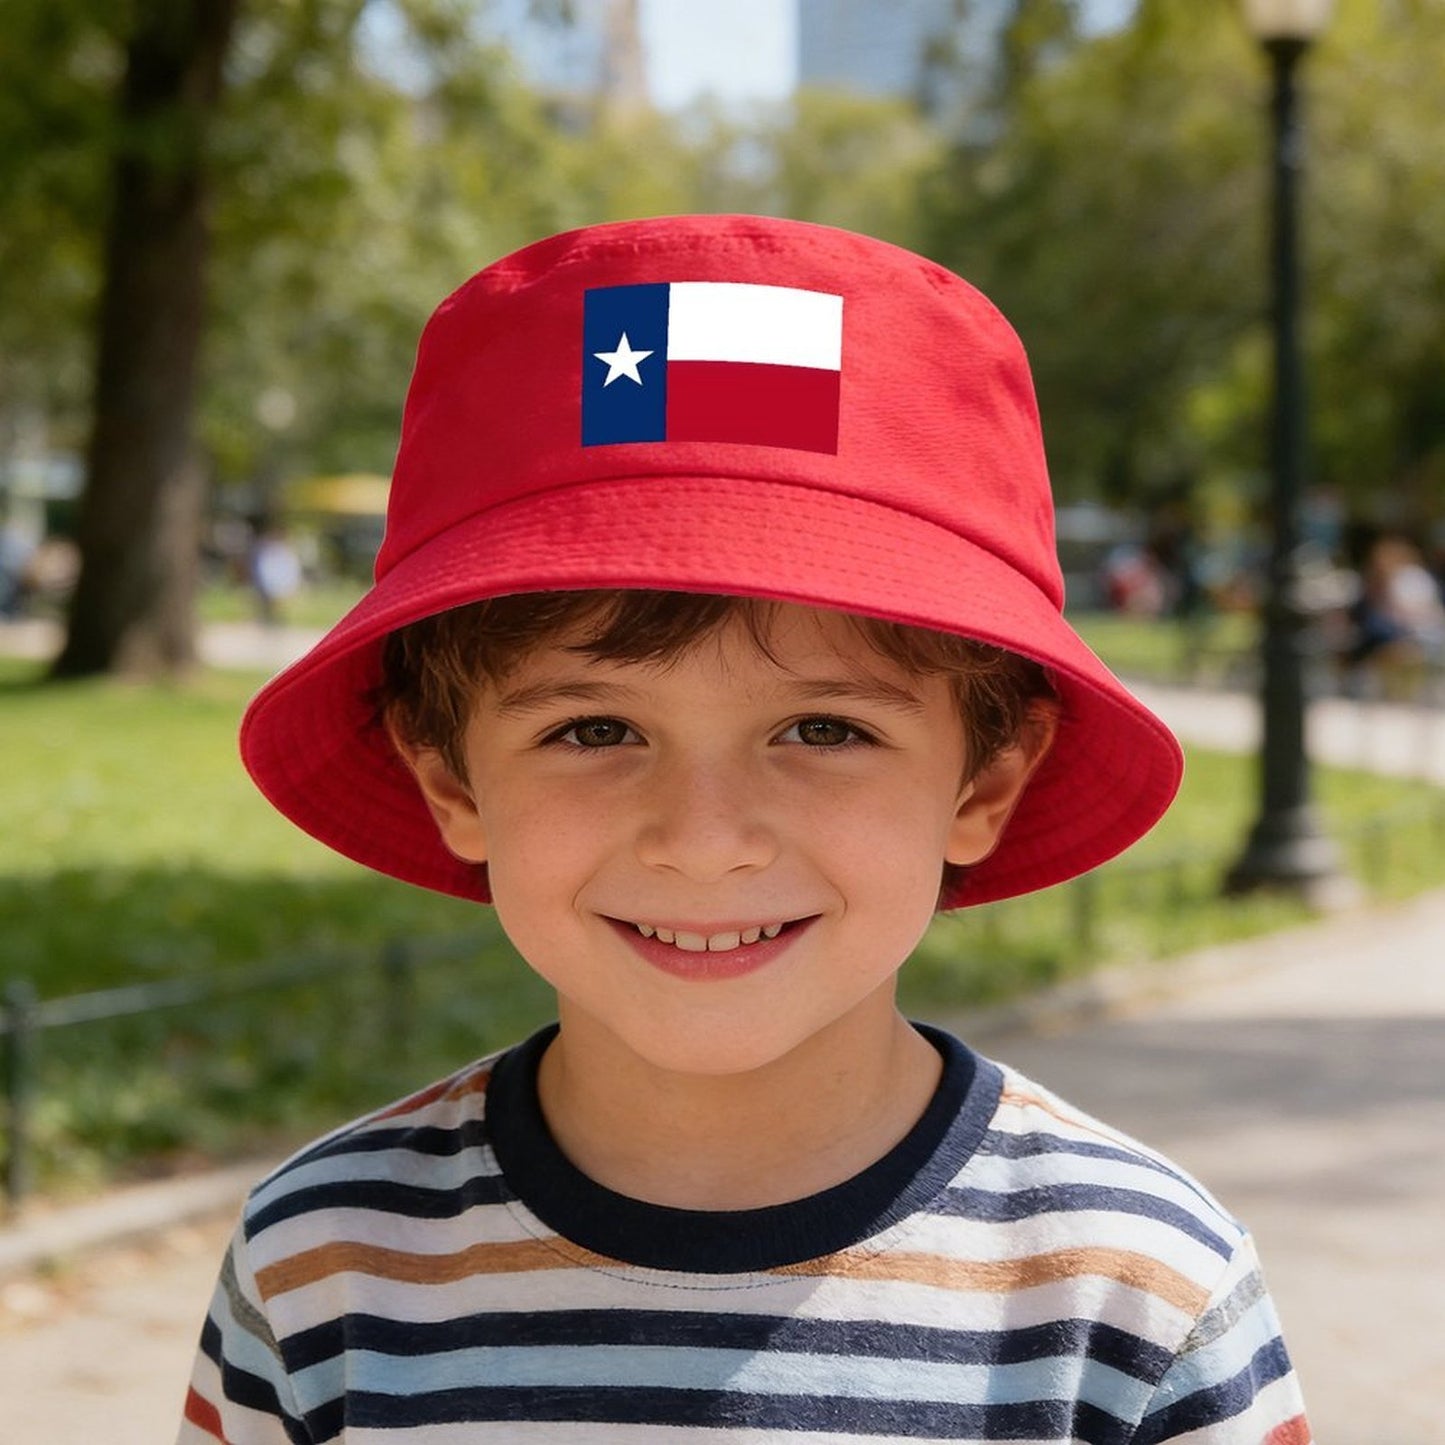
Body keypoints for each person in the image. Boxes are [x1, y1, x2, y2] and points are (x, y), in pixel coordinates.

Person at [179, 215, 1310, 1444]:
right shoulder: (322, 1267)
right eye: (593, 729)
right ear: (447, 775)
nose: (703, 839)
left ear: (985, 779)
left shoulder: (1132, 1293)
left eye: (823, 730)